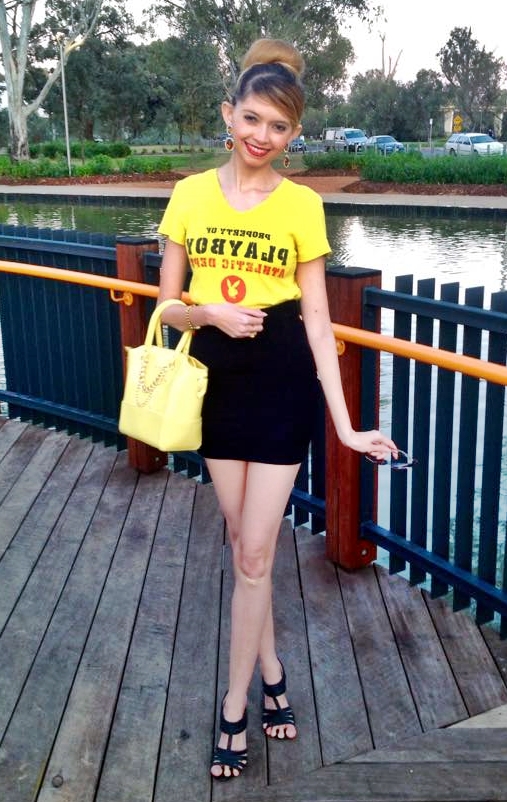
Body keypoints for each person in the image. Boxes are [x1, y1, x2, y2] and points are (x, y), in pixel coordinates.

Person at [156, 37, 397, 780]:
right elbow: (166, 307)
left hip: (283, 377)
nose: (262, 136)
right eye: (252, 119)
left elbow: (320, 322)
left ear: (294, 134)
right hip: (217, 378)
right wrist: (208, 315)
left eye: (279, 126)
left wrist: (346, 425)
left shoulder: (302, 205)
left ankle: (234, 708)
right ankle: (271, 672)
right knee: (243, 546)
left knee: (256, 554)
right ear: (228, 114)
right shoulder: (190, 195)